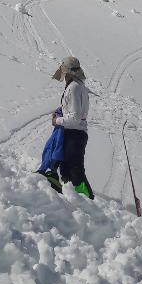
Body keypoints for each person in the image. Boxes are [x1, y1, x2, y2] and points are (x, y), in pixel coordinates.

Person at [50, 55, 94, 198]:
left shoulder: (74, 87)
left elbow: (74, 118)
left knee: (75, 172)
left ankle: (89, 201)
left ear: (67, 71)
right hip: (75, 134)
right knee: (68, 169)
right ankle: (74, 200)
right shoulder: (78, 86)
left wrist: (57, 120)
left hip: (74, 134)